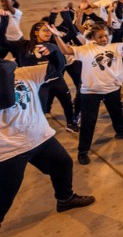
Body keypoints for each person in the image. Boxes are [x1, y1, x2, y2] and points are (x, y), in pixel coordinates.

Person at [0, 53, 95, 229]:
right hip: (8, 149)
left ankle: (65, 199)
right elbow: (6, 100)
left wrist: (52, 51)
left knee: (63, 164)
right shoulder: (8, 69)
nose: (12, 57)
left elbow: (58, 66)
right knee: (4, 196)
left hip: (39, 137)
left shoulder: (25, 73)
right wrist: (6, 65)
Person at [49, 23, 123, 165]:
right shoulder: (86, 49)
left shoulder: (115, 47)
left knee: (116, 113)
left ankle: (120, 132)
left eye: (106, 35)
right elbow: (66, 50)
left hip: (112, 88)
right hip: (91, 91)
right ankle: (83, 151)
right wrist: (56, 36)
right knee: (88, 121)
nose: (104, 39)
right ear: (93, 38)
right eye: (100, 37)